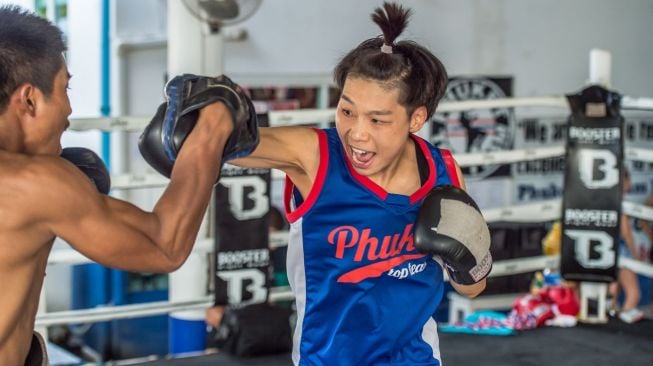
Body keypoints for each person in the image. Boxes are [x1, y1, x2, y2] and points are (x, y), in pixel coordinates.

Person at [225, 3, 489, 364]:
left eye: (378, 120)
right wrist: (207, 122)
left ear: (416, 118)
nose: (357, 134)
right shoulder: (315, 157)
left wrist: (466, 259)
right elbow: (231, 145)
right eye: (347, 111)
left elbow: (472, 288)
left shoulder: (443, 172)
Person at [0, 6, 256, 365]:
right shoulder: (36, 184)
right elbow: (163, 245)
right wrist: (212, 128)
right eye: (64, 88)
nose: (69, 109)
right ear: (29, 99)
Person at [609, 169, 645, 323]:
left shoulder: (606, 199)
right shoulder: (620, 201)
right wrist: (634, 254)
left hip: (609, 247)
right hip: (621, 248)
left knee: (613, 291)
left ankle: (608, 329)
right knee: (633, 294)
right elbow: (626, 232)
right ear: (624, 181)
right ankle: (623, 326)